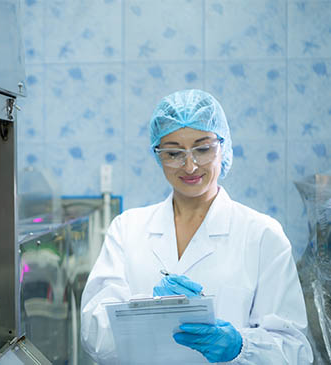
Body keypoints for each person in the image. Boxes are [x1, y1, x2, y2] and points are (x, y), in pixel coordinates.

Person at [81, 89, 312, 364]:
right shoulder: (127, 229)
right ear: (158, 155)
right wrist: (147, 308)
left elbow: (294, 350)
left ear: (222, 147)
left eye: (203, 149)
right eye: (174, 153)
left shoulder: (262, 235)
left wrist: (240, 346)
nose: (190, 166)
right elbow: (94, 335)